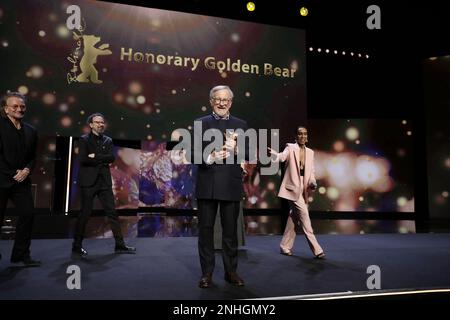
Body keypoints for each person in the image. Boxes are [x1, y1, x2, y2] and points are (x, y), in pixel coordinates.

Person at [194, 85, 248, 288]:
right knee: (206, 231)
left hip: (231, 185)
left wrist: (237, 149)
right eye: (218, 99)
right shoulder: (201, 123)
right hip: (207, 185)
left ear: (231, 102)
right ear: (211, 101)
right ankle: (206, 273)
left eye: (226, 99)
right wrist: (211, 156)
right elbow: (193, 153)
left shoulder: (241, 125)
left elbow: (249, 153)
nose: (222, 103)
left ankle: (231, 271)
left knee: (230, 232)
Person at [72, 113, 136, 256]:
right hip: (88, 182)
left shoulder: (108, 140)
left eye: (102, 122)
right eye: (97, 122)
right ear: (91, 125)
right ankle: (76, 246)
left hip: (104, 182)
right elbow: (82, 159)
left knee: (112, 213)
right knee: (85, 214)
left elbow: (111, 158)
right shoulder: (83, 140)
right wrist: (101, 159)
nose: (101, 125)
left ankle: (120, 245)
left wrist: (96, 157)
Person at [269, 126, 325, 259]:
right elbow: (282, 157)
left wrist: (312, 182)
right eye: (300, 134)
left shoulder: (310, 152)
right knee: (304, 216)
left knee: (294, 217)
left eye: (305, 134)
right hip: (291, 187)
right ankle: (317, 249)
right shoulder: (290, 148)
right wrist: (276, 155)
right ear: (296, 136)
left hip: (303, 187)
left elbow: (311, 171)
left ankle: (285, 246)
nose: (303, 136)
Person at [0, 92, 40, 266]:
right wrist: (12, 172)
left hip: (21, 181)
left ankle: (21, 254)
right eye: (15, 106)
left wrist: (27, 169)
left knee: (28, 214)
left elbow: (33, 157)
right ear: (5, 109)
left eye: (22, 106)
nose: (19, 109)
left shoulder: (31, 130)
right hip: (1, 179)